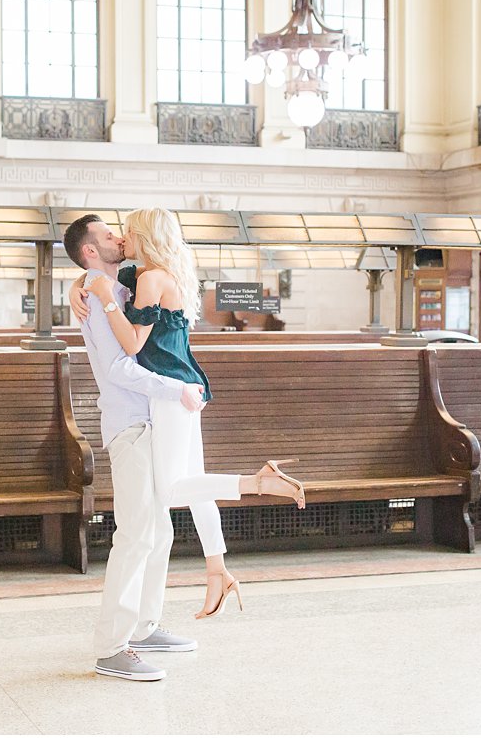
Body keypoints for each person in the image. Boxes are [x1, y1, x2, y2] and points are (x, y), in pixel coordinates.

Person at [72, 207, 305, 621]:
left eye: (125, 232)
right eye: (114, 234)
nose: (122, 239)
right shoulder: (155, 272)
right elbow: (101, 275)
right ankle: (217, 570)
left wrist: (105, 301)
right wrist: (84, 280)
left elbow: (129, 346)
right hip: (188, 387)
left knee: (172, 492)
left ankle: (258, 481)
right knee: (194, 484)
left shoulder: (148, 279)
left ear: (144, 235)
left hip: (172, 394)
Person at [64, 213, 202, 682]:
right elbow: (120, 369)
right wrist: (174, 390)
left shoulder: (117, 286)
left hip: (152, 422)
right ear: (90, 251)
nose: (118, 238)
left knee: (159, 530)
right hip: (130, 425)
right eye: (107, 236)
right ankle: (111, 647)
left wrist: (83, 280)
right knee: (135, 534)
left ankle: (144, 626)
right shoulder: (95, 298)